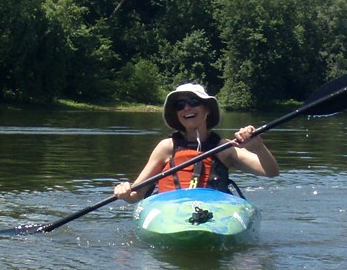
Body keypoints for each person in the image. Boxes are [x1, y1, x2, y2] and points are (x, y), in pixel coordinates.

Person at [113, 82, 279, 203]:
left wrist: (257, 145)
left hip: (213, 212)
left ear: (207, 109)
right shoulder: (167, 147)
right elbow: (136, 194)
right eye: (180, 105)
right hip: (170, 211)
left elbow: (271, 171)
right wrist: (126, 192)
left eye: (193, 102)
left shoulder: (224, 148)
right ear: (176, 114)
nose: (186, 108)